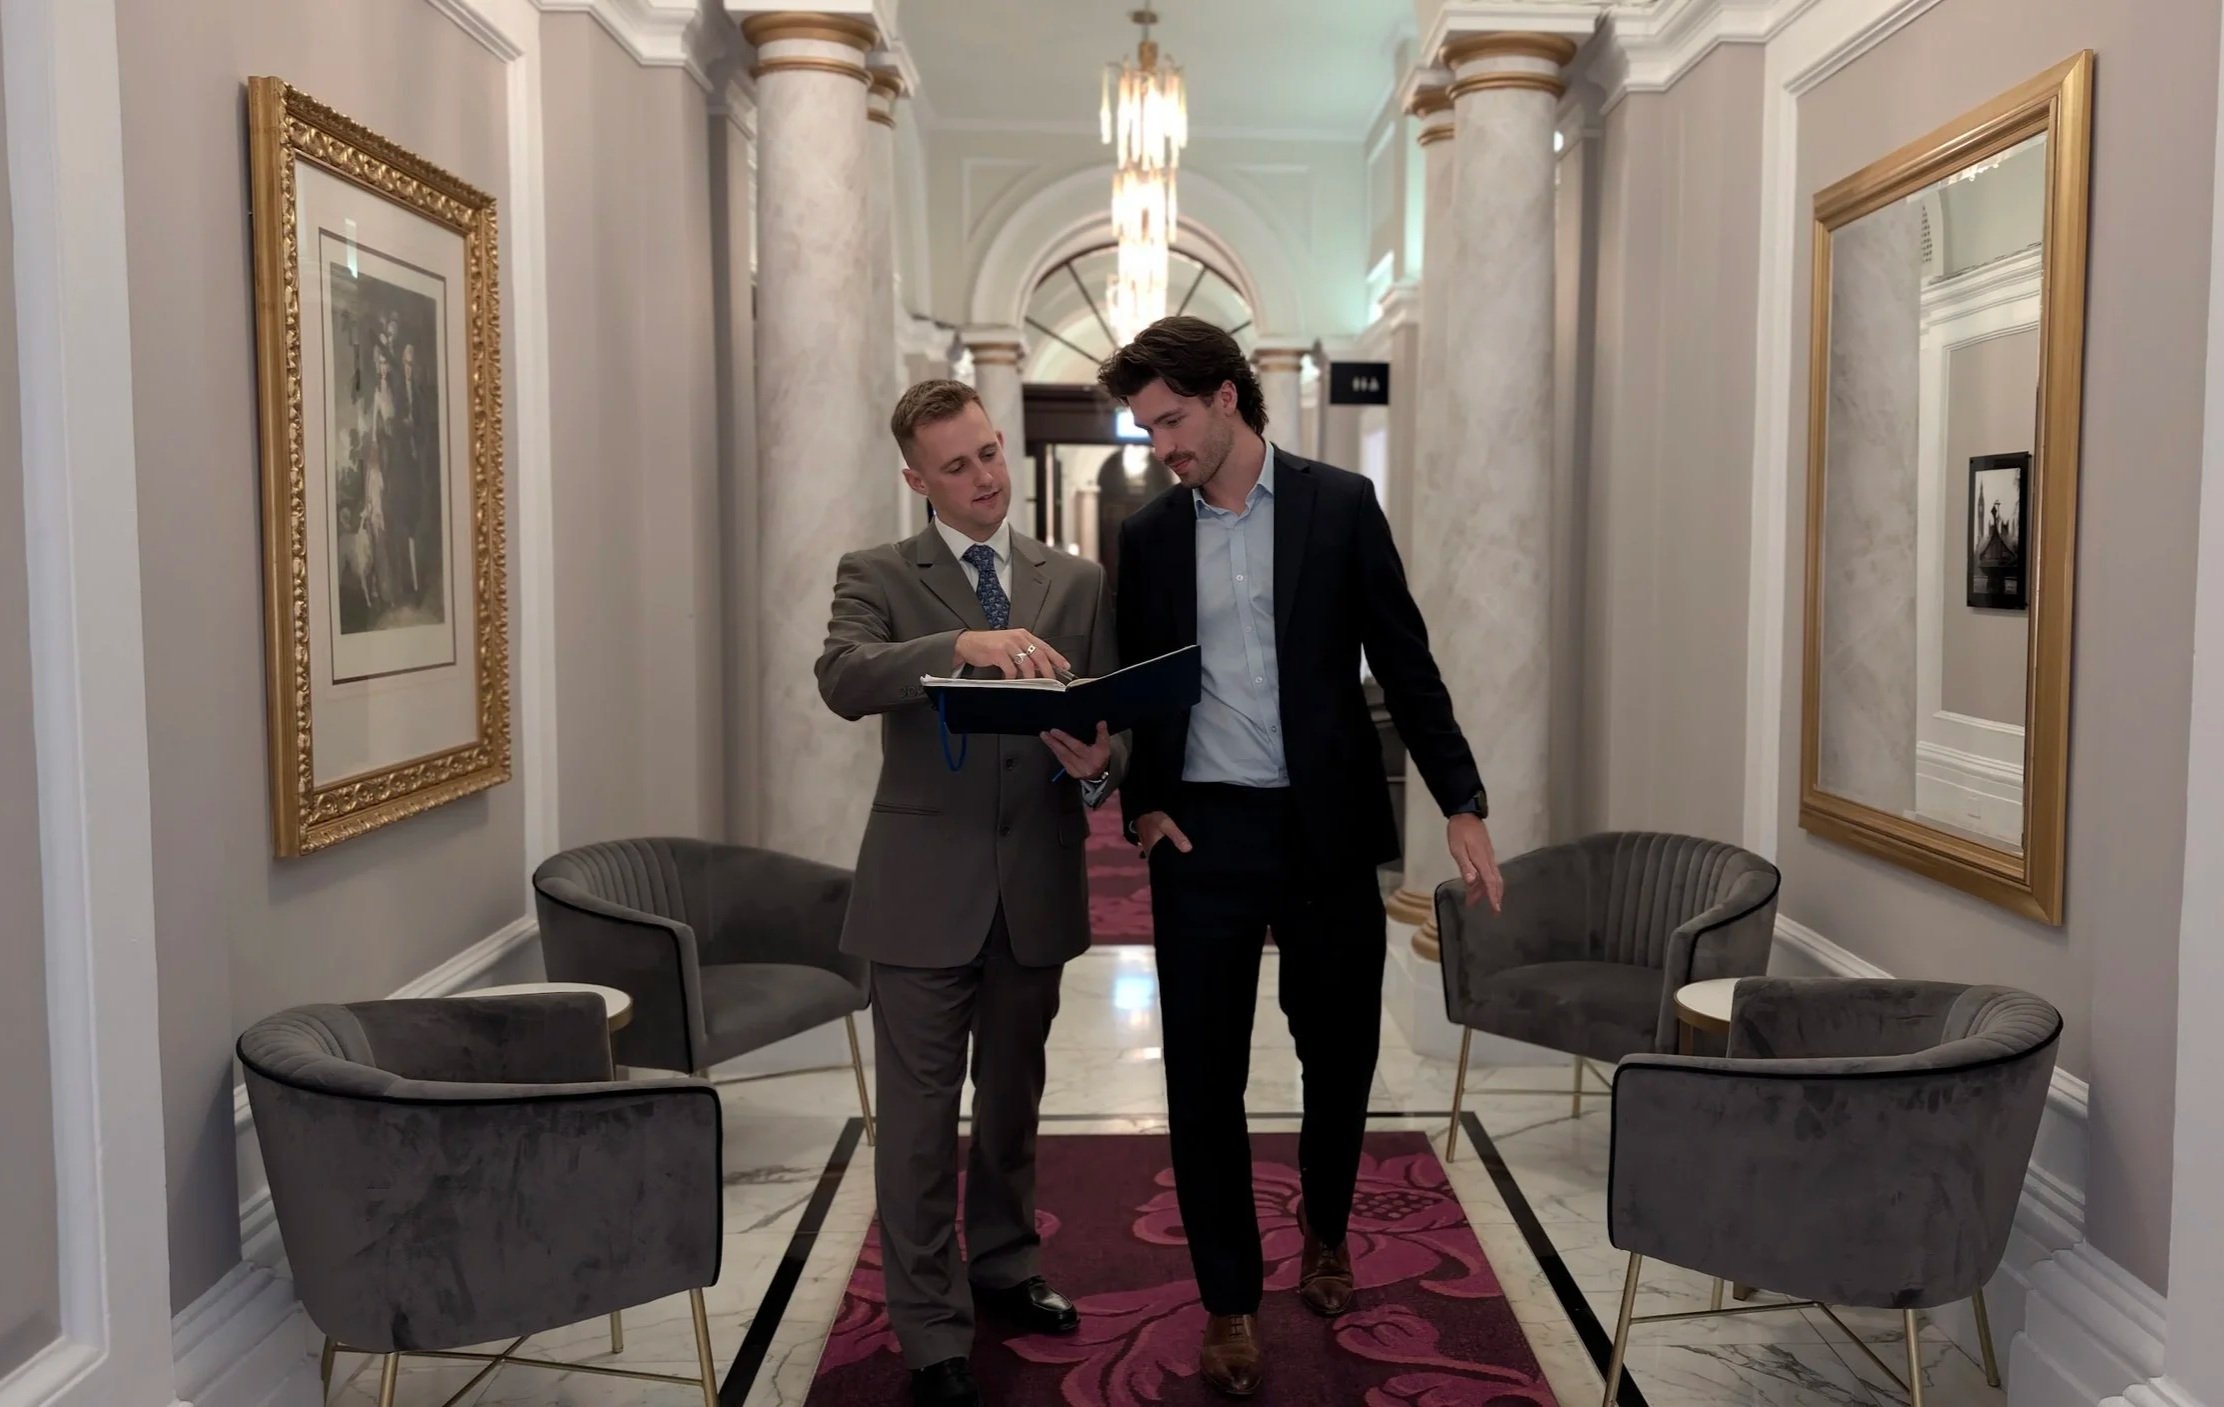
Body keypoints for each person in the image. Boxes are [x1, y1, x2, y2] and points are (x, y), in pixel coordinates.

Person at [1098, 316, 1504, 1398]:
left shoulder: (1338, 506)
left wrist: (1459, 800)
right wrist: (1140, 805)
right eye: (1148, 430)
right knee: (1201, 1077)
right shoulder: (1148, 538)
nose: (1163, 447)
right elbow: (1135, 685)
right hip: (1204, 836)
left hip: (1325, 833)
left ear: (1228, 396)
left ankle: (1326, 1230)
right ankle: (1228, 1301)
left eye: (1173, 421)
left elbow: (1406, 664)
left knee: (1338, 1058)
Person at [816, 378, 1126, 1407]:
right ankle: (928, 1325)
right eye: (957, 466)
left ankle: (1005, 1266)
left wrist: (1096, 761)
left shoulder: (1073, 580)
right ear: (917, 480)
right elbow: (845, 677)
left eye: (989, 453)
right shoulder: (877, 573)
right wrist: (959, 645)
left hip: (1034, 883)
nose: (986, 478)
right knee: (912, 1128)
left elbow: (1112, 723)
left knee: (1010, 1110)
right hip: (918, 896)